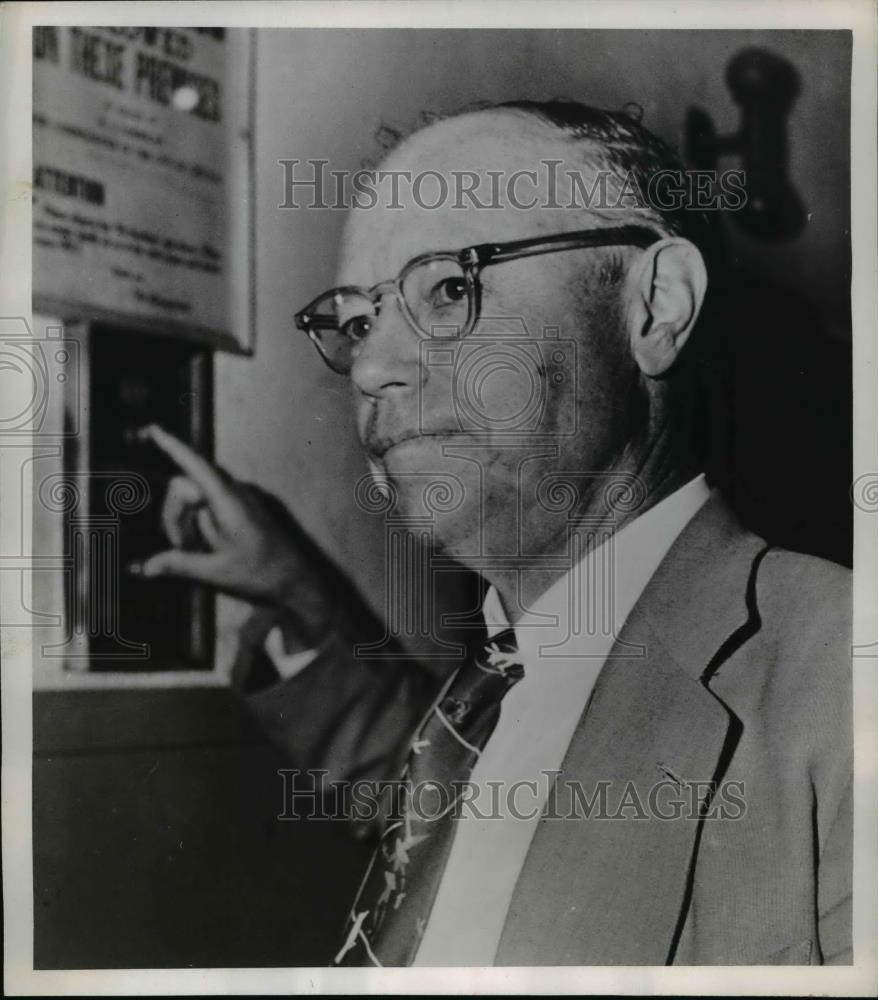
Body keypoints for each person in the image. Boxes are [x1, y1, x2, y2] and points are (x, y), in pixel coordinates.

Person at [134, 101, 852, 966]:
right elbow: (461, 819)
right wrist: (298, 593)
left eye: (448, 286)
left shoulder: (844, 679)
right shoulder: (504, 679)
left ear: (656, 307)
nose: (369, 367)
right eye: (359, 320)